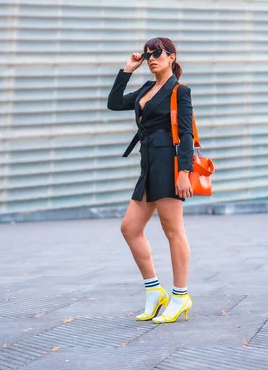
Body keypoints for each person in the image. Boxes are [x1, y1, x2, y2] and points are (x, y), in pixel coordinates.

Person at [107, 37, 194, 324]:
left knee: (173, 231)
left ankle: (180, 295)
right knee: (130, 228)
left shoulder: (179, 91)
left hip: (169, 165)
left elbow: (186, 135)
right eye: (147, 55)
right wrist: (128, 69)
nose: (151, 58)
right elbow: (115, 103)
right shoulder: (146, 88)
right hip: (148, 164)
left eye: (157, 53)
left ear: (171, 57)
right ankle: (155, 290)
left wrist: (184, 172)